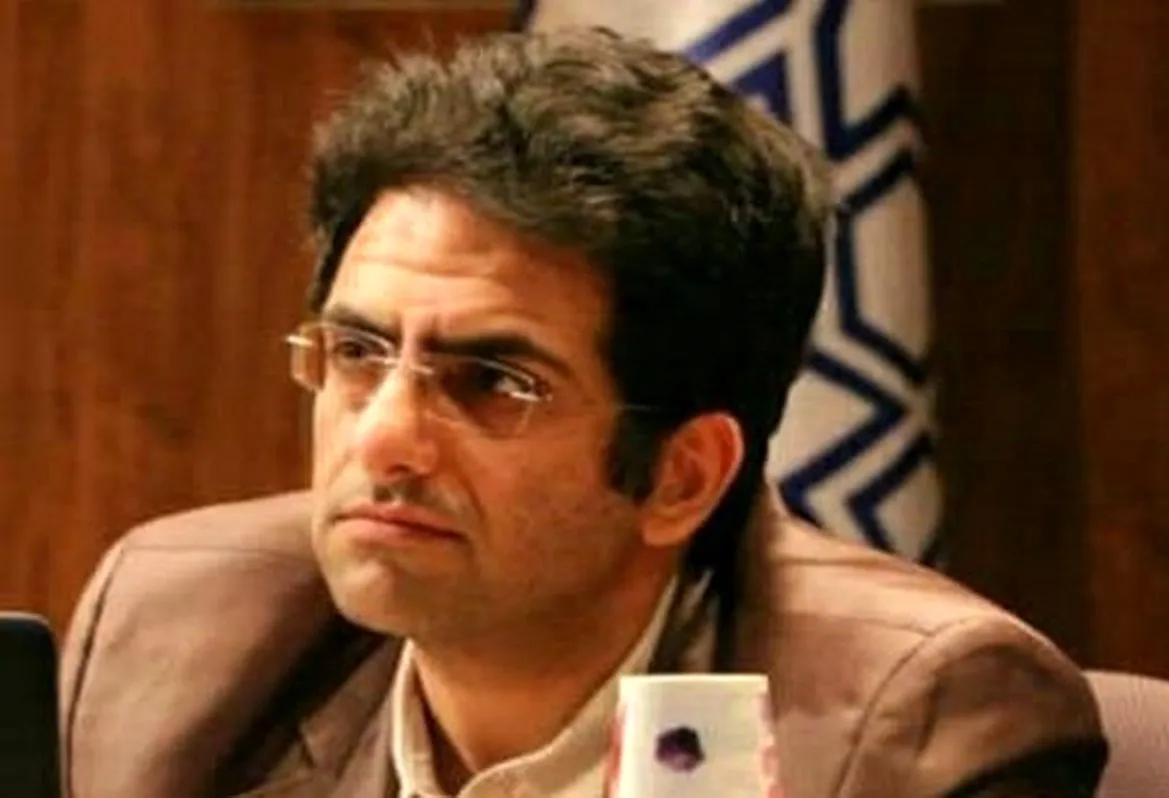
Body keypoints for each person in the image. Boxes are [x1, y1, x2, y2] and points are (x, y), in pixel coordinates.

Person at [58, 27, 1107, 798]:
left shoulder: (915, 728)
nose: (383, 437)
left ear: (682, 476)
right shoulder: (176, 631)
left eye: (492, 382)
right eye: (358, 353)